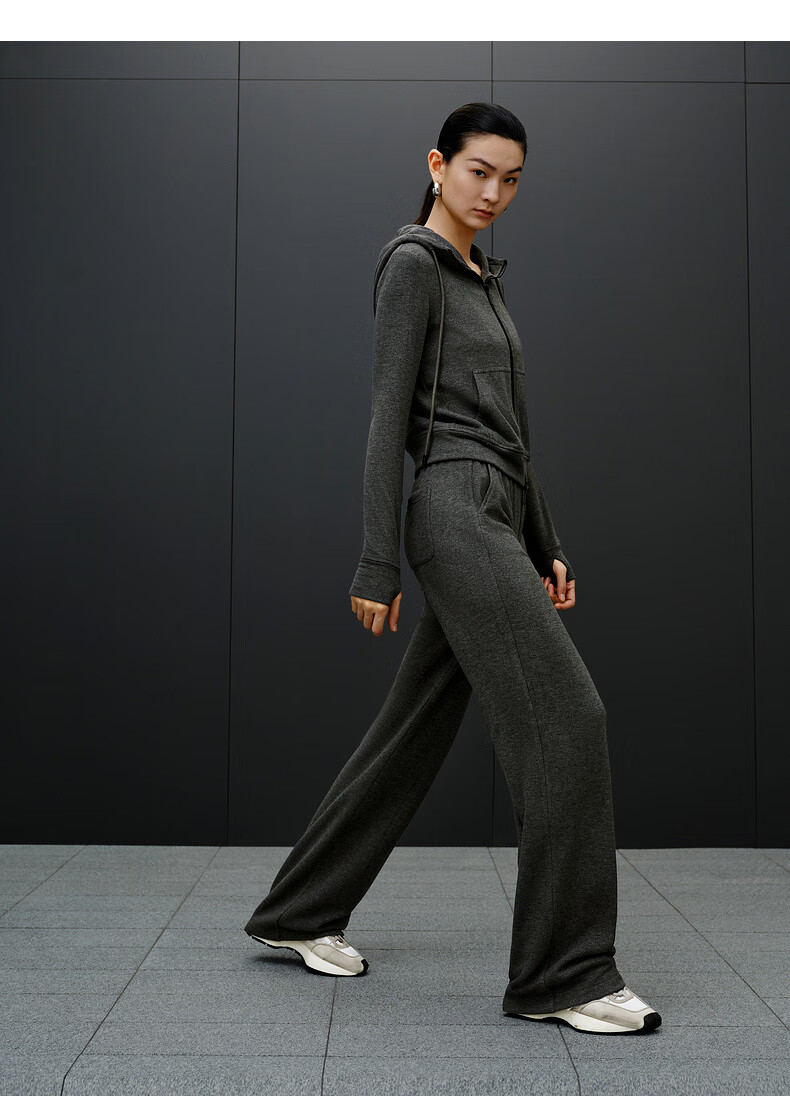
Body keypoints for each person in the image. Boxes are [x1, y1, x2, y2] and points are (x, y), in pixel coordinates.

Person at [244, 102, 662, 1036]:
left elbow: (516, 437)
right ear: (437, 165)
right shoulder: (413, 266)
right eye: (479, 171)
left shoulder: (484, 283)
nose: (494, 193)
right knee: (569, 719)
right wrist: (376, 561)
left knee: (414, 728)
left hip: (496, 514)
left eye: (512, 179)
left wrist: (547, 541)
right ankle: (563, 974)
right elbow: (387, 417)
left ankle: (298, 909)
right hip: (452, 512)